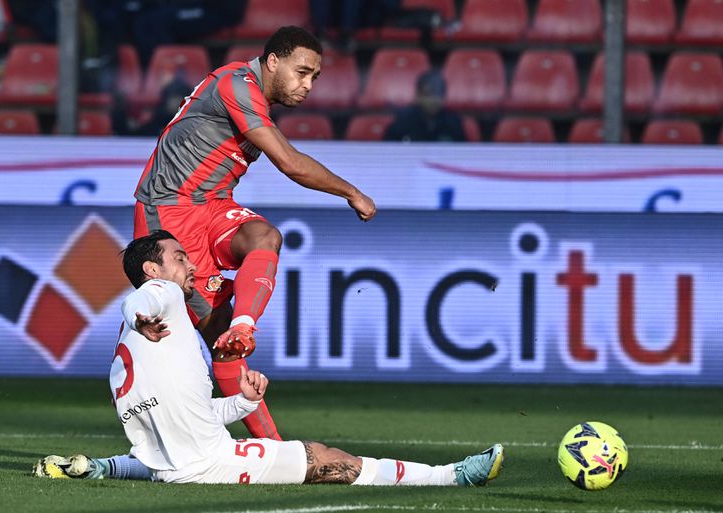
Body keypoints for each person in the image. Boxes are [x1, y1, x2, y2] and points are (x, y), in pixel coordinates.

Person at [33, 231, 504, 486]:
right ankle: (451, 476)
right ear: (152, 270)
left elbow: (182, 423)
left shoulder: (134, 347)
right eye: (179, 258)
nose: (191, 265)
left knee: (170, 463)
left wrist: (242, 402)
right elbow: (141, 299)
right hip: (211, 464)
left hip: (172, 463)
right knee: (327, 459)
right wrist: (140, 314)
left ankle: (101, 467)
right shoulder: (159, 298)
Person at [132, 26, 377, 440]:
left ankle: (244, 327)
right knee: (215, 333)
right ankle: (272, 446)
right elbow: (290, 162)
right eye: (302, 72)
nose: (308, 85)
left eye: (315, 77)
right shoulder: (236, 84)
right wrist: (352, 192)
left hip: (213, 204)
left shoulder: (254, 99)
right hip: (169, 212)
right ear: (273, 62)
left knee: (265, 238)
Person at [384, 70, 466, 143]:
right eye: (428, 95)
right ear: (418, 96)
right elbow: (387, 149)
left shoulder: (454, 123)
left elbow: (463, 152)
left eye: (438, 94)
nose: (434, 100)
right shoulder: (402, 122)